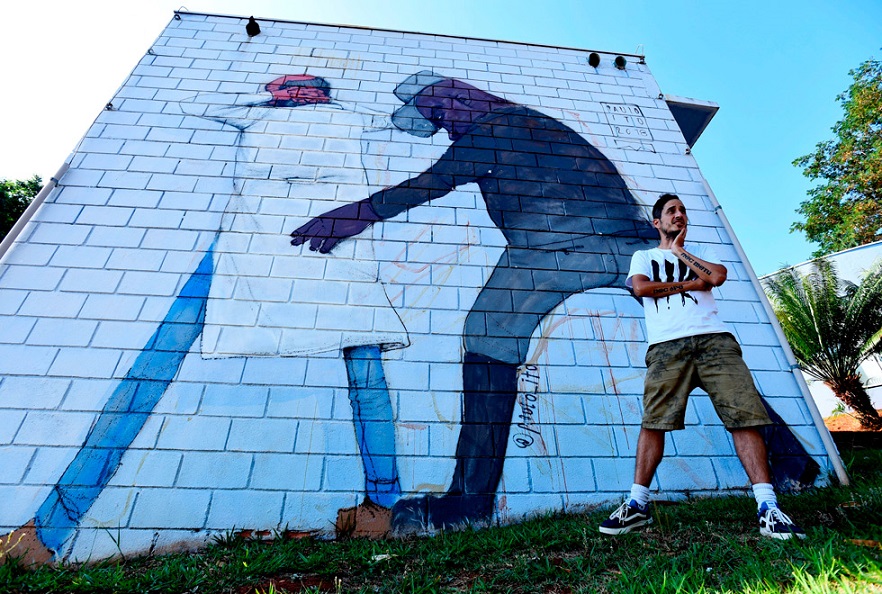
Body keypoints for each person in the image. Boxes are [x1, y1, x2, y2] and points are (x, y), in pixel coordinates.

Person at [0, 75, 407, 565]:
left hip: (317, 251)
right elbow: (195, 99)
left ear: (314, 91)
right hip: (256, 245)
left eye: (294, 86)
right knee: (158, 362)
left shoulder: (335, 116)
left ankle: (382, 508)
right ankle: (46, 532)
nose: (283, 90)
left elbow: (404, 119)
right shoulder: (267, 114)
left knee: (360, 364)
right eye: (280, 87)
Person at [291, 71, 658, 531]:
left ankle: (469, 503)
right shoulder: (538, 123)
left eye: (441, 114)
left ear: (458, 95)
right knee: (691, 333)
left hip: (554, 248)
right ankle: (778, 453)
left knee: (487, 332)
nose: (446, 126)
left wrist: (351, 215)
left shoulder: (493, 126)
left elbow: (431, 183)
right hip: (636, 247)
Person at [598, 193, 806, 540]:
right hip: (666, 347)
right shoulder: (644, 256)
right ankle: (637, 505)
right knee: (654, 421)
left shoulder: (701, 253)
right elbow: (640, 288)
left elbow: (718, 277)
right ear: (657, 222)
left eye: (682, 210)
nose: (679, 215)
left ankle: (768, 507)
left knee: (744, 417)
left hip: (715, 342)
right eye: (671, 211)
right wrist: (692, 283)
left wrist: (681, 254)